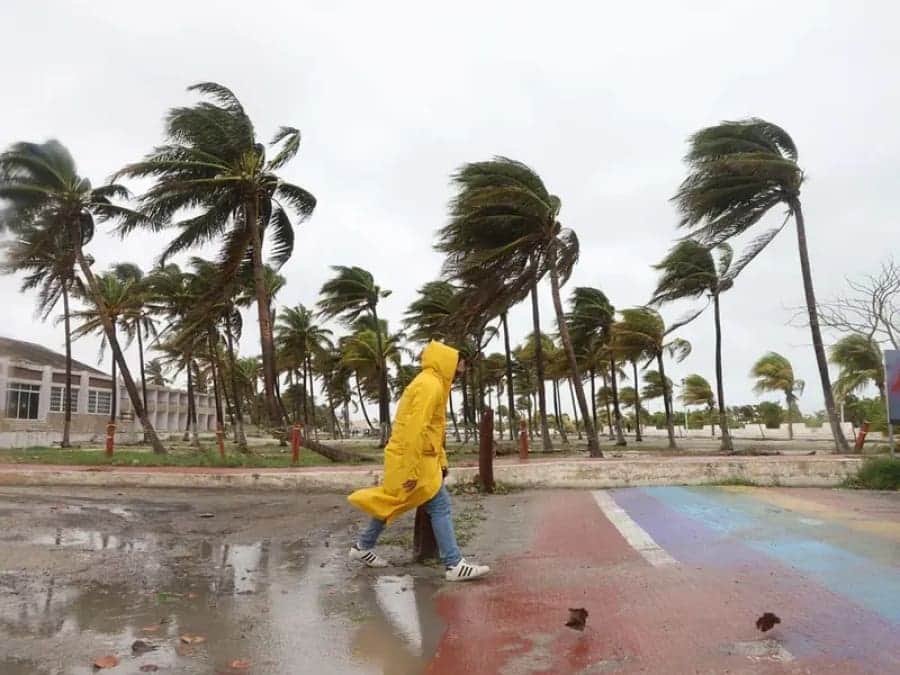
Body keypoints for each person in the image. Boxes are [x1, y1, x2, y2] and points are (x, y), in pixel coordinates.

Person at [347, 340, 490, 581]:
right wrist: (412, 472)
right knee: (438, 505)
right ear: (452, 362)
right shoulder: (430, 386)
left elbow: (434, 429)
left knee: (392, 501)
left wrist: (441, 462)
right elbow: (415, 430)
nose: (459, 375)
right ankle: (454, 564)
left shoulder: (432, 383)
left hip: (417, 458)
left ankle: (363, 547)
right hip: (412, 459)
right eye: (460, 369)